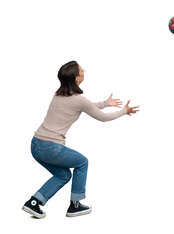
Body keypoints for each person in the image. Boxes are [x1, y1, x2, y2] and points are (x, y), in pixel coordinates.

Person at [22, 61, 139, 218]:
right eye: (81, 70)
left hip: (35, 145)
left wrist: (105, 103)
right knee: (82, 162)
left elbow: (85, 106)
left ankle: (34, 203)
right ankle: (75, 205)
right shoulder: (79, 100)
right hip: (51, 148)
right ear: (76, 78)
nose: (84, 70)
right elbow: (101, 117)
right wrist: (124, 111)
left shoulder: (58, 95)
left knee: (63, 175)